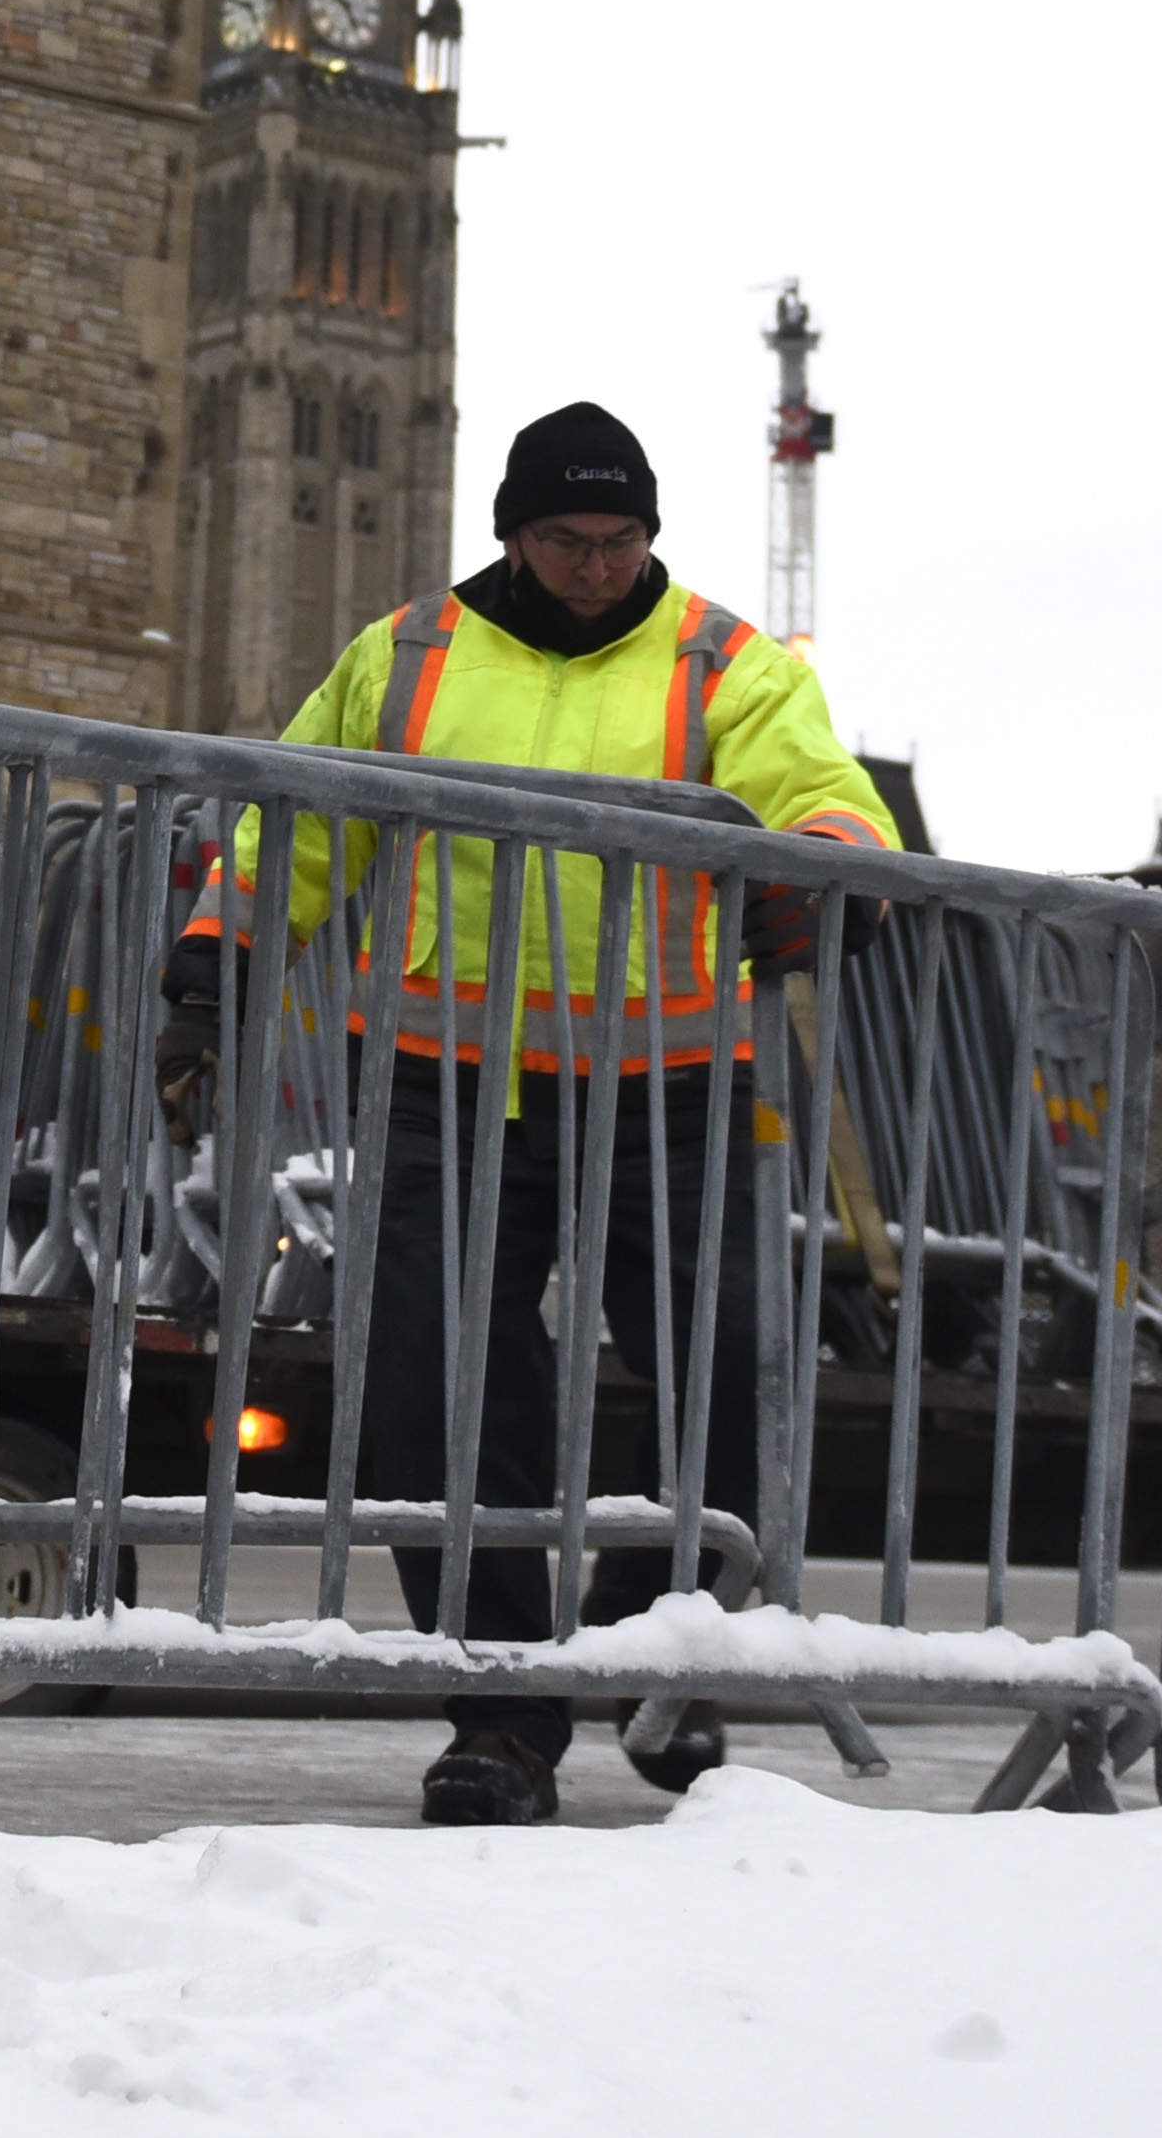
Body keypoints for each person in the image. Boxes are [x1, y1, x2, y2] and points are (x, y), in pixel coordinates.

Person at [159, 400, 891, 1828]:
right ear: (510, 530)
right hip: (447, 1084)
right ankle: (499, 1711)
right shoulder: (409, 655)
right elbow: (298, 818)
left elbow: (824, 793)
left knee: (730, 1376)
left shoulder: (719, 661)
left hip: (667, 1091)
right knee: (435, 1398)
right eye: (567, 538)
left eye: (621, 540)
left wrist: (822, 870)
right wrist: (215, 960)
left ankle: (653, 1646)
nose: (596, 564)